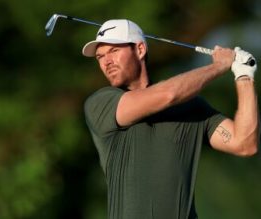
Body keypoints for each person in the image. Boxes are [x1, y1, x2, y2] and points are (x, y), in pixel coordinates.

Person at [82, 19, 259, 219]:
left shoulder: (191, 108)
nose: (106, 62)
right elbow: (168, 94)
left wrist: (244, 77)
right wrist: (219, 66)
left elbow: (245, 143)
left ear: (140, 49)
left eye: (114, 51)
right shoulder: (101, 103)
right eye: (100, 56)